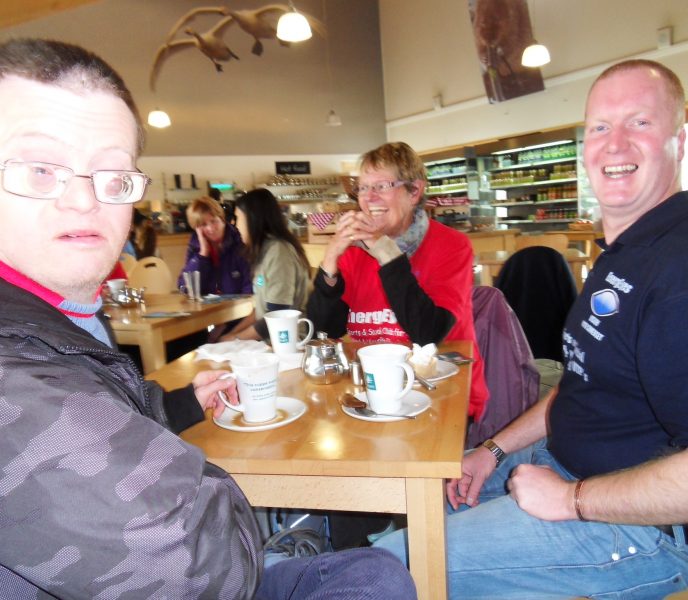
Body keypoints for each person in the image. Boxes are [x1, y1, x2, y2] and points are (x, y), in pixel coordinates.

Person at [0, 38, 415, 599]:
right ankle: (305, 534)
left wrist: (179, 404)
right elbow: (203, 562)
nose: (83, 200)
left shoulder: (65, 320)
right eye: (41, 169)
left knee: (376, 573)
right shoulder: (17, 377)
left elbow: (407, 327)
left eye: (113, 175)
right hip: (200, 567)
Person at [375, 59, 688, 598]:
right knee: (411, 509)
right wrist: (492, 452)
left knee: (382, 566)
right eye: (599, 127)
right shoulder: (626, 255)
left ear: (679, 143)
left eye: (639, 122)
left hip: (644, 532)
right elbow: (581, 384)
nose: (614, 144)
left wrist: (569, 500)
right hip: (563, 466)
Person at [307, 141, 489, 420]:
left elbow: (427, 333)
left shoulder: (452, 246)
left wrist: (385, 252)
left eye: (382, 186)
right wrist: (330, 259)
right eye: (363, 187)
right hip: (372, 391)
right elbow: (324, 331)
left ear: (414, 191)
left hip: (441, 392)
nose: (369, 198)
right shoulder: (354, 252)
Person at [220, 188, 311, 341]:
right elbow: (259, 313)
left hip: (287, 344)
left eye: (238, 217)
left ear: (252, 219)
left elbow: (276, 317)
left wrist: (235, 340)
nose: (234, 223)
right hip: (268, 343)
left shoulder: (279, 252)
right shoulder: (265, 251)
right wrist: (229, 335)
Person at [178, 195, 252, 296]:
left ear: (222, 219)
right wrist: (202, 254)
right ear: (196, 228)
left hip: (237, 308)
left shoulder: (238, 246)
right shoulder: (195, 249)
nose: (211, 228)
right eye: (203, 224)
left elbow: (251, 286)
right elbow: (185, 288)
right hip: (206, 309)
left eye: (213, 221)